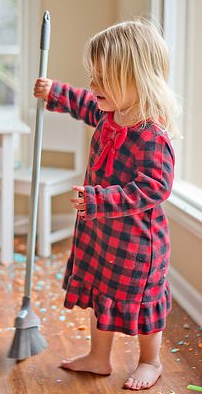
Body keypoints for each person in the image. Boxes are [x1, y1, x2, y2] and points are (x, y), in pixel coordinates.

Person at [33, 20, 181, 391]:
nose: (93, 86)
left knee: (142, 303)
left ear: (136, 79)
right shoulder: (110, 111)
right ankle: (99, 358)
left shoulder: (151, 135)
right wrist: (55, 93)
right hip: (103, 234)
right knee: (103, 294)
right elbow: (84, 104)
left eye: (102, 79)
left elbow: (154, 188)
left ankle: (151, 360)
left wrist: (99, 198)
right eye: (92, 76)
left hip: (137, 245)